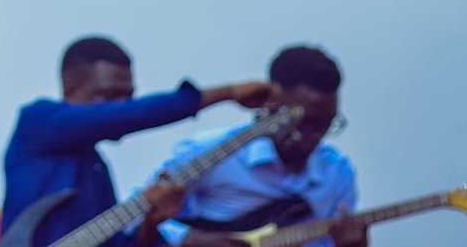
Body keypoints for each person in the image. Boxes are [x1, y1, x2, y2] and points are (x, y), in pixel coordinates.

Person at [1, 36, 277, 246]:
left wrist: (151, 221)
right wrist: (229, 92)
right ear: (70, 87)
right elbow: (135, 114)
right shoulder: (36, 122)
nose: (123, 105)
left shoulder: (97, 170)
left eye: (129, 95)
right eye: (110, 95)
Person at [149, 46, 362, 247]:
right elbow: (137, 215)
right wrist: (192, 239)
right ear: (273, 102)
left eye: (327, 123)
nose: (316, 136)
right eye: (305, 122)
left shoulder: (338, 172)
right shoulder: (210, 152)